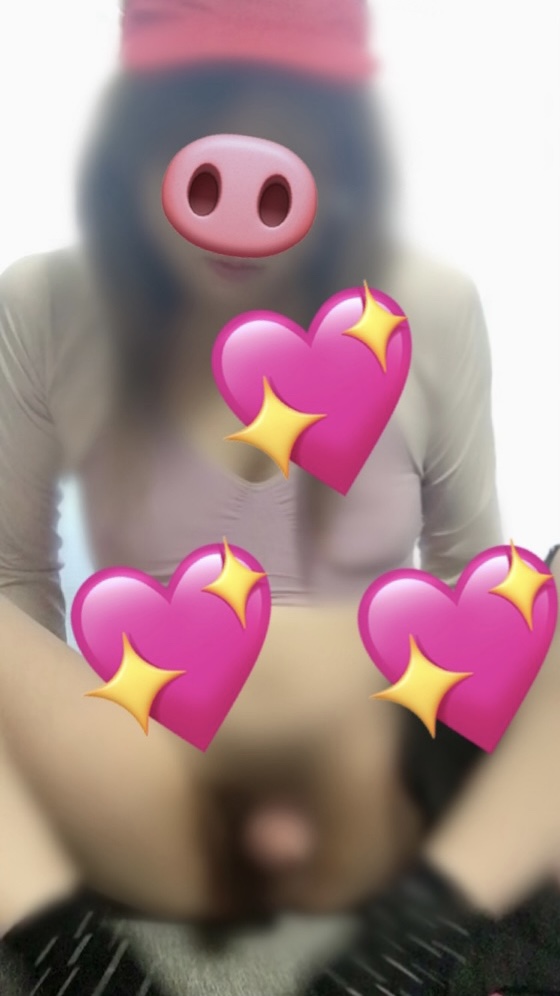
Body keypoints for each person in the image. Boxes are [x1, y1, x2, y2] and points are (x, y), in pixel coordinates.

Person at [0, 1, 558, 993]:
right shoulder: (41, 304)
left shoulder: (432, 309)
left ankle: (416, 942)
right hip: (147, 764)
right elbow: (16, 582)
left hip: (371, 768)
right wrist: (71, 779)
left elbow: (472, 584)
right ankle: (75, 951)